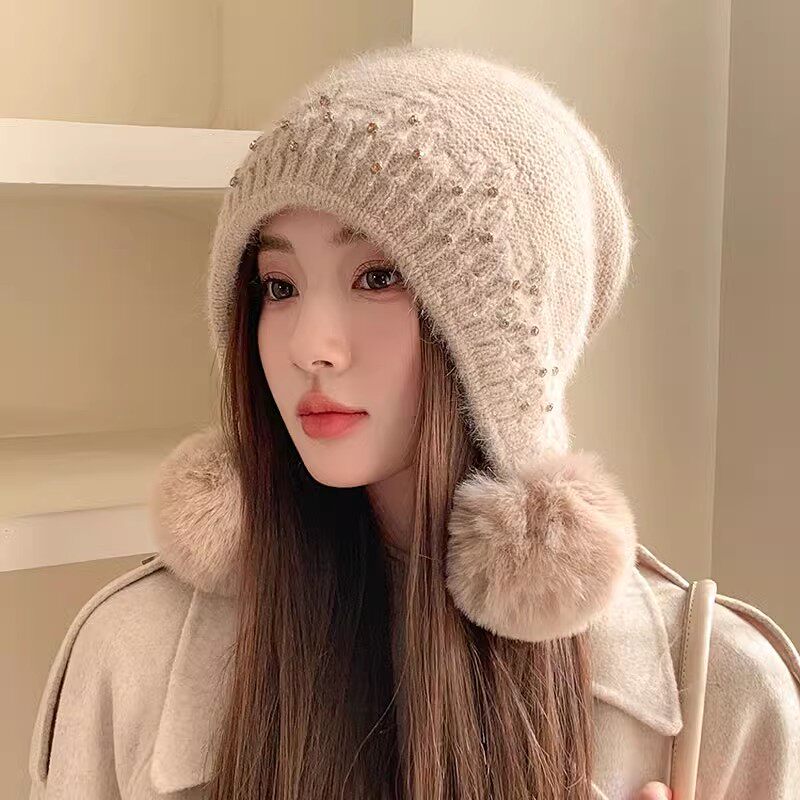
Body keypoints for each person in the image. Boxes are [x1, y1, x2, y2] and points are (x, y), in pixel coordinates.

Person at [28, 44, 799, 799]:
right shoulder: (131, 653)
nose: (309, 346)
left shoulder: (722, 688)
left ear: (509, 345)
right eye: (279, 285)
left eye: (378, 276)